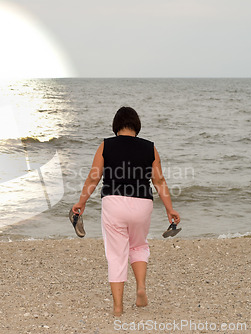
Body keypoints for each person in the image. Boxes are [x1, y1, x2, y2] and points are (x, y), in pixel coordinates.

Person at [72, 106, 181, 316]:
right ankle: (140, 288)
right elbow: (158, 180)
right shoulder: (150, 148)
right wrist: (170, 209)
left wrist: (82, 201)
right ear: (136, 126)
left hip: (114, 203)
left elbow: (94, 177)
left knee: (116, 254)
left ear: (116, 126)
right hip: (142, 204)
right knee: (138, 245)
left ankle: (118, 307)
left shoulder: (106, 145)